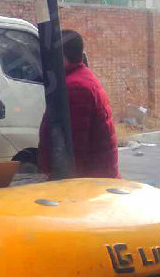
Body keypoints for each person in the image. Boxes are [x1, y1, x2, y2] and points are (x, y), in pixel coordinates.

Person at [37, 29, 119, 178]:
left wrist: (69, 183)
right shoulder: (82, 77)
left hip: (88, 183)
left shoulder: (75, 87)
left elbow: (75, 146)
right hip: (97, 178)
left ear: (61, 57)